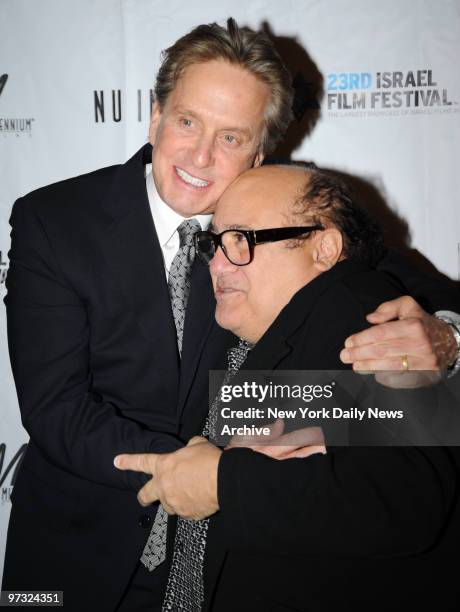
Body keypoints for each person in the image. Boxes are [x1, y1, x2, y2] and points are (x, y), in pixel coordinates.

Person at [2, 18, 459, 612]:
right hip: (73, 552)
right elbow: (57, 409)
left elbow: (385, 271)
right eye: (188, 121)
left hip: (218, 560)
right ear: (155, 114)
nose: (200, 155)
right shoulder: (55, 221)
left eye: (231, 138)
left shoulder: (282, 222)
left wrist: (447, 335)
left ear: (260, 152)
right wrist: (194, 475)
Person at [115, 165, 457, 611]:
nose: (217, 262)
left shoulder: (364, 319)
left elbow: (402, 498)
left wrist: (223, 484)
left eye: (242, 239)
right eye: (215, 242)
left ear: (324, 248)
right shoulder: (256, 330)